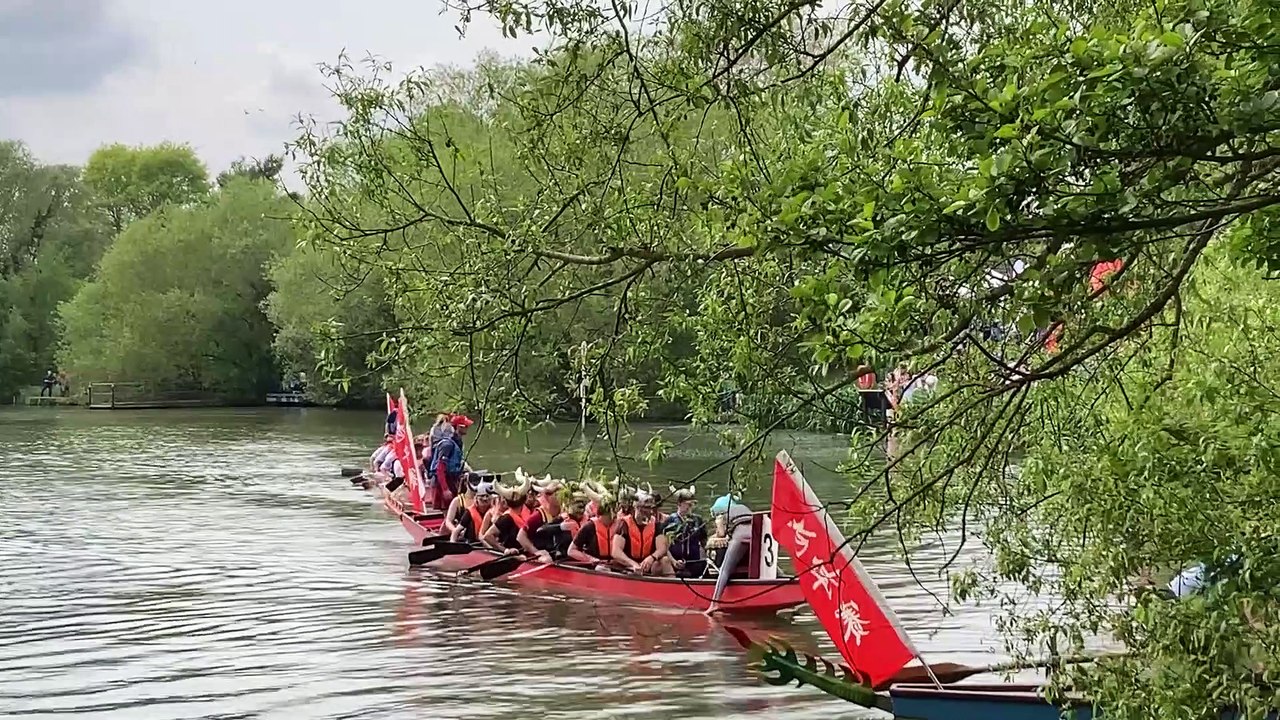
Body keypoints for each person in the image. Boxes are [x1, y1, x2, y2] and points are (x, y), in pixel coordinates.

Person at [707, 493, 755, 613]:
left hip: (740, 536)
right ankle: (782, 579)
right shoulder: (743, 508)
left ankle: (714, 603)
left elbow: (721, 533)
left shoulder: (721, 513)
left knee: (724, 570)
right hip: (756, 535)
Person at [612, 490, 675, 576]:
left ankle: (672, 586)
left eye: (651, 508)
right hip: (627, 565)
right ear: (638, 508)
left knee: (665, 561)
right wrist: (633, 564)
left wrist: (651, 558)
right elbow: (616, 552)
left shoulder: (656, 524)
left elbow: (662, 548)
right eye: (647, 508)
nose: (650, 511)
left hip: (648, 564)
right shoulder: (624, 524)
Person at [660, 485, 708, 577]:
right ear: (679, 504)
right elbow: (663, 546)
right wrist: (673, 561)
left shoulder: (698, 520)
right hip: (676, 563)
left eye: (692, 504)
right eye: (688, 504)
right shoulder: (670, 521)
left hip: (694, 562)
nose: (690, 507)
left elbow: (703, 541)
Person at [428, 414, 473, 509]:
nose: (467, 428)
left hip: (452, 479)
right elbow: (440, 467)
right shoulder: (447, 444)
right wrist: (445, 489)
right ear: (458, 427)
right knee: (448, 511)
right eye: (465, 426)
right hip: (442, 481)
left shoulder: (458, 442)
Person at [515, 478, 565, 563]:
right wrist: (536, 552)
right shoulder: (538, 515)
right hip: (541, 558)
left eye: (562, 493)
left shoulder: (565, 513)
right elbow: (520, 537)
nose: (560, 496)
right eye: (556, 493)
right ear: (547, 496)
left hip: (558, 556)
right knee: (547, 559)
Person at [570, 485, 618, 566]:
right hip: (595, 566)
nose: (614, 516)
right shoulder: (590, 526)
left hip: (616, 566)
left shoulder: (619, 525)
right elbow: (571, 551)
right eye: (610, 514)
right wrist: (590, 559)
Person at [484, 476, 533, 554]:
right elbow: (487, 536)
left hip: (528, 555)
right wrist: (505, 550)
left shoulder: (529, 512)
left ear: (506, 502)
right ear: (525, 499)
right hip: (515, 556)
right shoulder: (506, 518)